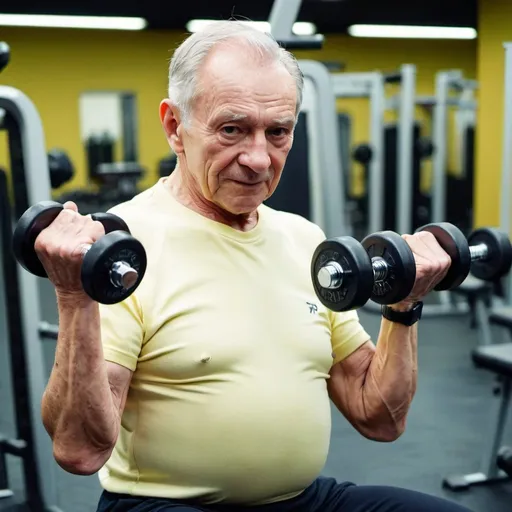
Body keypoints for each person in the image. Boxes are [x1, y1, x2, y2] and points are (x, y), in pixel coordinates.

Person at [35, 20, 472, 512]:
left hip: (304, 501)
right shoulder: (124, 246)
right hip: (166, 504)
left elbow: (379, 416)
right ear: (175, 127)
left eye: (278, 132)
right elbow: (79, 449)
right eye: (232, 129)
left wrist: (404, 303)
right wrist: (75, 297)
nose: (260, 159)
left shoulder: (304, 239)